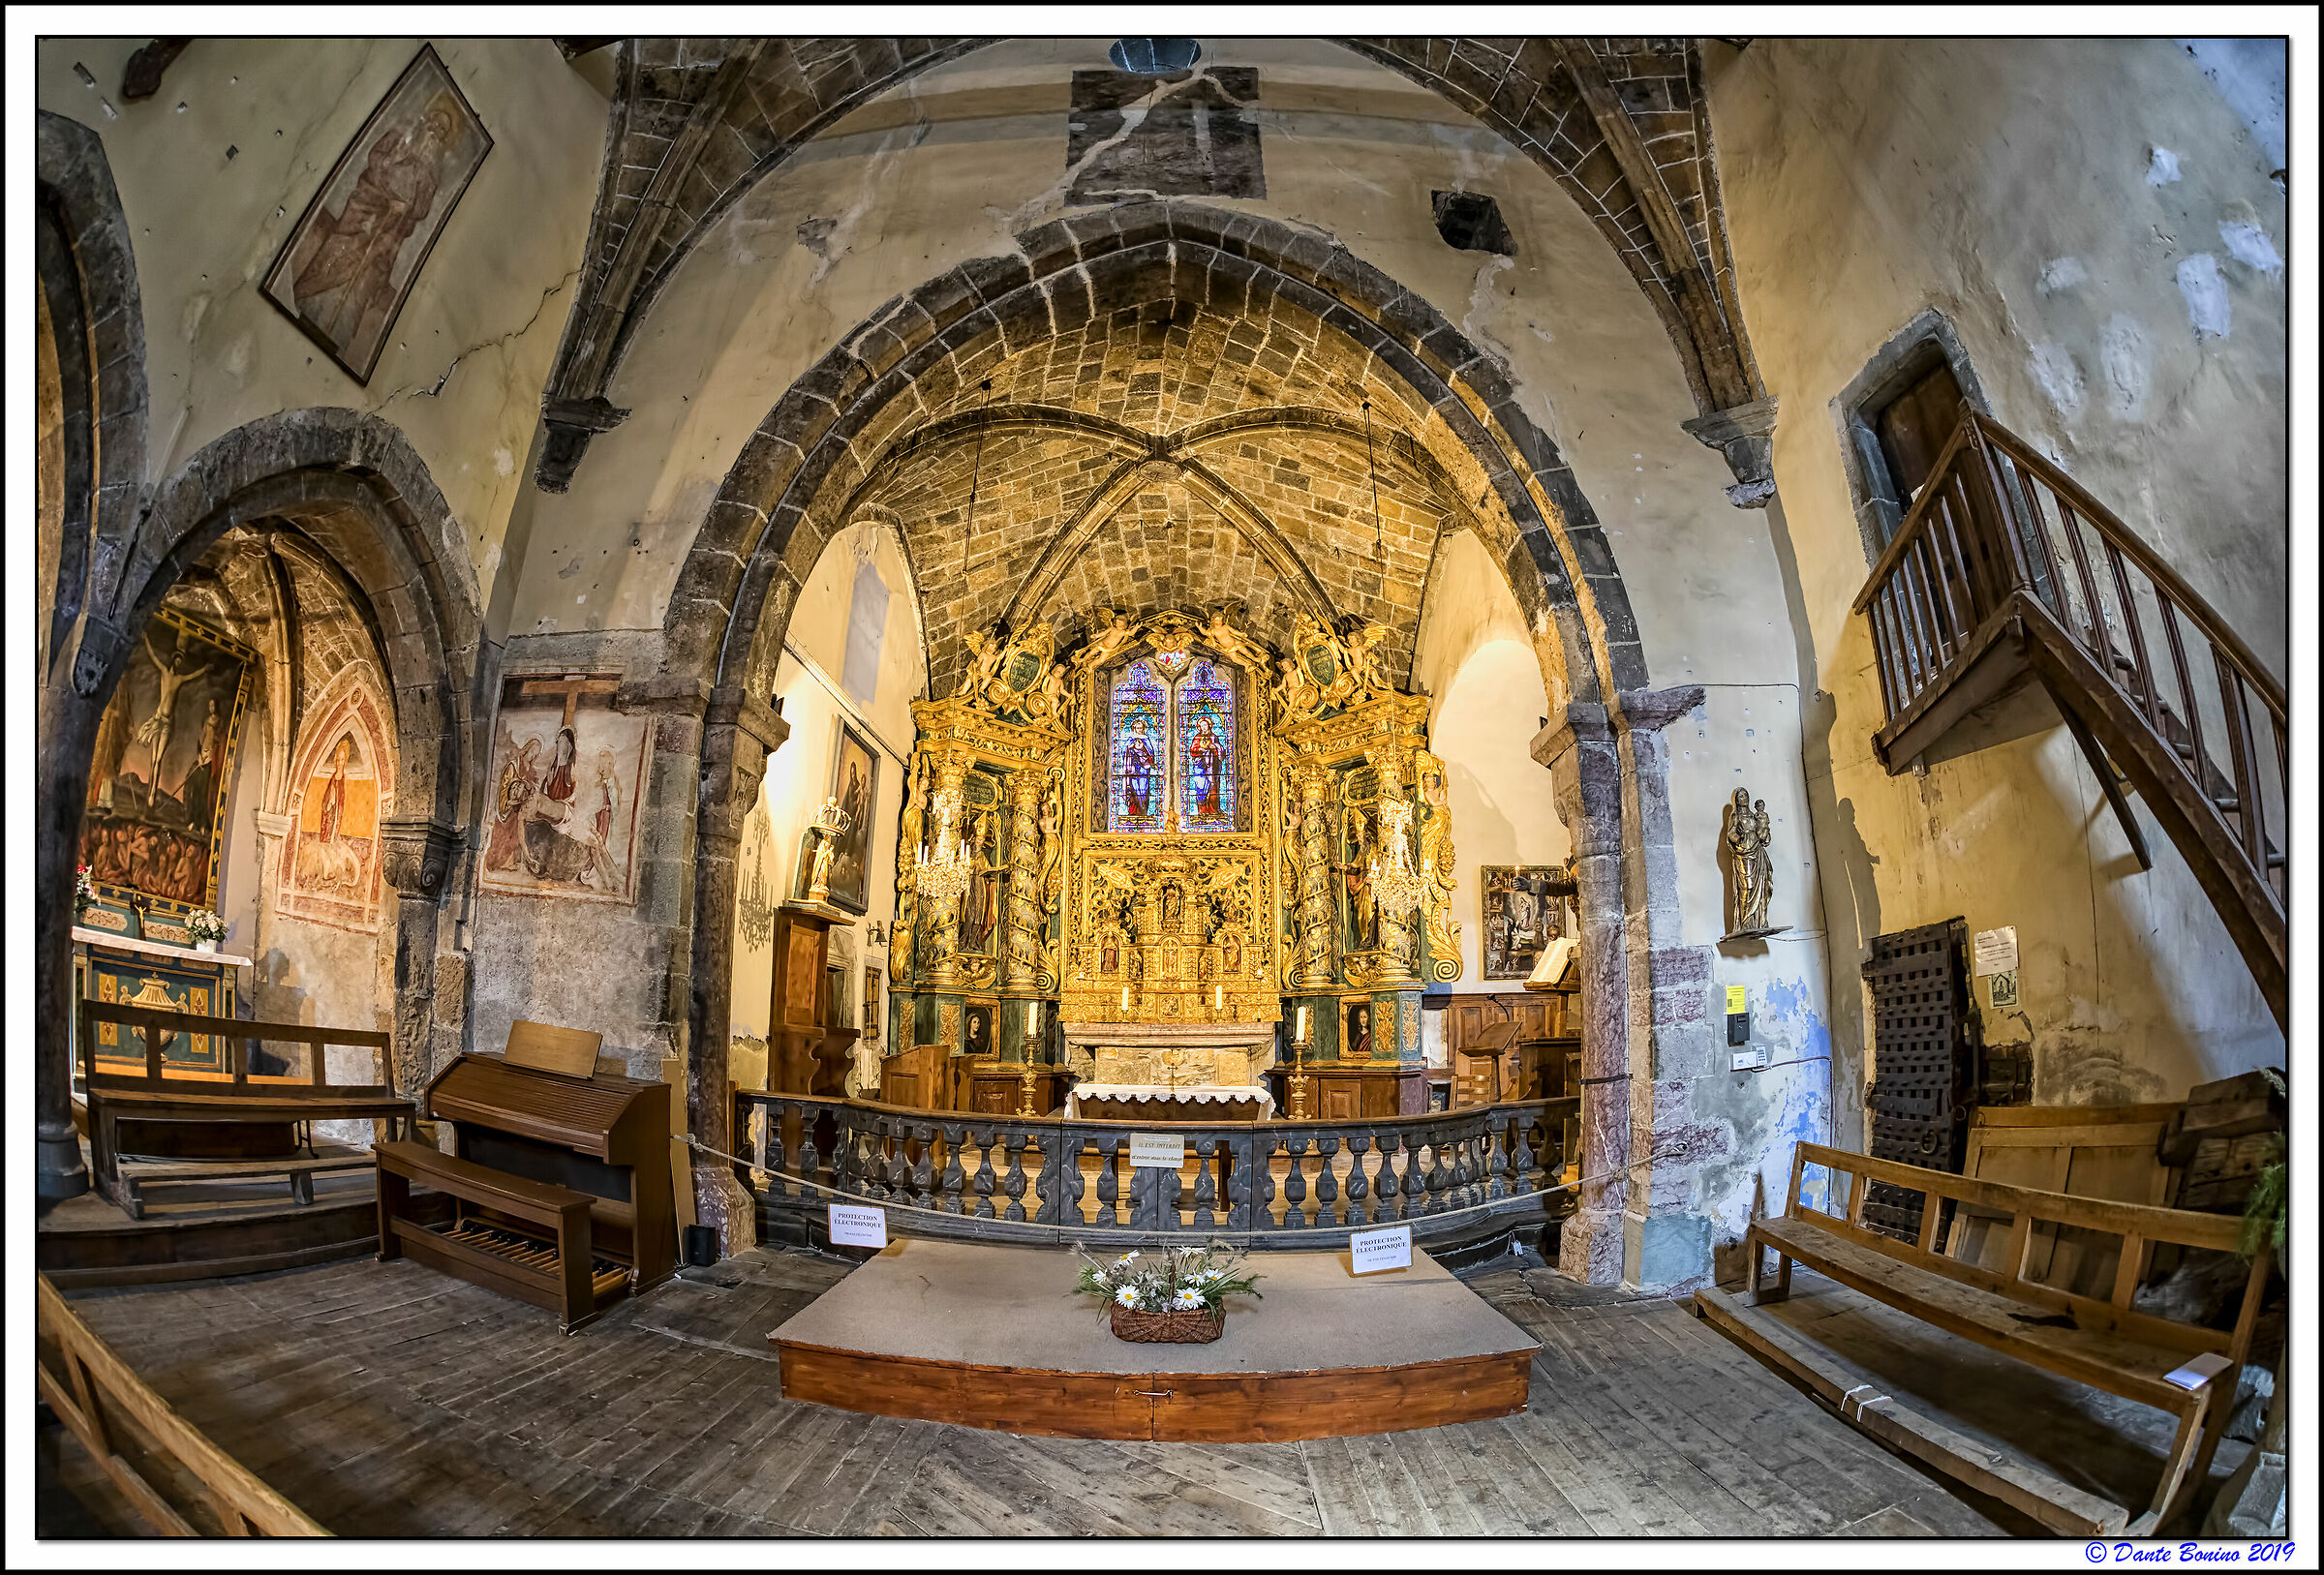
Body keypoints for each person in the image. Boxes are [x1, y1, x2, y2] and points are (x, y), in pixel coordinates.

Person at [291, 100, 459, 351]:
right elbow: (374, 159)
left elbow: (422, 211)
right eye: (434, 123)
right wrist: (389, 173)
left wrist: (406, 210)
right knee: (343, 250)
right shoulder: (400, 138)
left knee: (367, 278)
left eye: (442, 131)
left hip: (391, 233)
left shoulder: (429, 175)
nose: (435, 131)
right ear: (426, 121)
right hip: (367, 210)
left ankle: (339, 333)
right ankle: (309, 302)